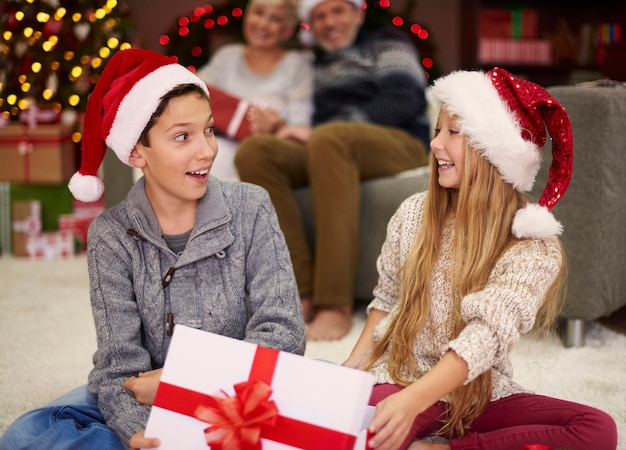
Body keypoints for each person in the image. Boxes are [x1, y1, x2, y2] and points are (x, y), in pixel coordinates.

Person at [0, 48, 305, 450]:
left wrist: (184, 380)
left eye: (209, 129)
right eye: (183, 136)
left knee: (331, 397)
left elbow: (283, 335)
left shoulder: (251, 207)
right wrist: (139, 432)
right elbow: (119, 368)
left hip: (242, 388)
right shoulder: (111, 235)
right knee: (27, 433)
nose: (207, 150)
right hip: (148, 394)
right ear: (136, 152)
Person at [343, 67, 618, 450]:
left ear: (495, 153)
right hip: (404, 377)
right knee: (358, 424)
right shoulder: (412, 214)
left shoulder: (533, 244)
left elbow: (486, 336)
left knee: (597, 427)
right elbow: (386, 300)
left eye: (453, 133)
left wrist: (413, 403)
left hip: (481, 393)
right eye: (438, 131)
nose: (436, 144)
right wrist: (348, 378)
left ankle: (442, 446)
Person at [235, 0, 431, 342]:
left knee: (328, 139)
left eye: (337, 11)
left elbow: (404, 99)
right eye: (319, 16)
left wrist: (328, 130)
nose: (329, 22)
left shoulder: (387, 43)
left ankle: (334, 304)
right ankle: (301, 293)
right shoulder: (311, 64)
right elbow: (304, 120)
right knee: (257, 152)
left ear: (359, 13)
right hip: (330, 147)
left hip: (398, 142)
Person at [196, 0, 313, 181]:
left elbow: (300, 127)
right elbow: (196, 96)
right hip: (219, 145)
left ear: (287, 31)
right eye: (258, 12)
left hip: (270, 151)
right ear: (247, 15)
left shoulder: (297, 65)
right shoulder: (227, 56)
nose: (263, 24)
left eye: (275, 18)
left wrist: (277, 126)